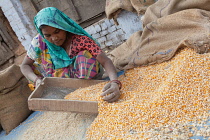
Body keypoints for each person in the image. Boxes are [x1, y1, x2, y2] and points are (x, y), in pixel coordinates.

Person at [20, 7, 121, 103]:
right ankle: (64, 94)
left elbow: (105, 60)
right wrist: (37, 80)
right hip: (59, 84)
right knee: (33, 69)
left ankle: (87, 90)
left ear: (62, 26)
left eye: (57, 31)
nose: (54, 38)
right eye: (48, 35)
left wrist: (114, 82)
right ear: (42, 34)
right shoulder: (39, 42)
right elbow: (24, 65)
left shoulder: (79, 39)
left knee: (85, 55)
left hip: (85, 80)